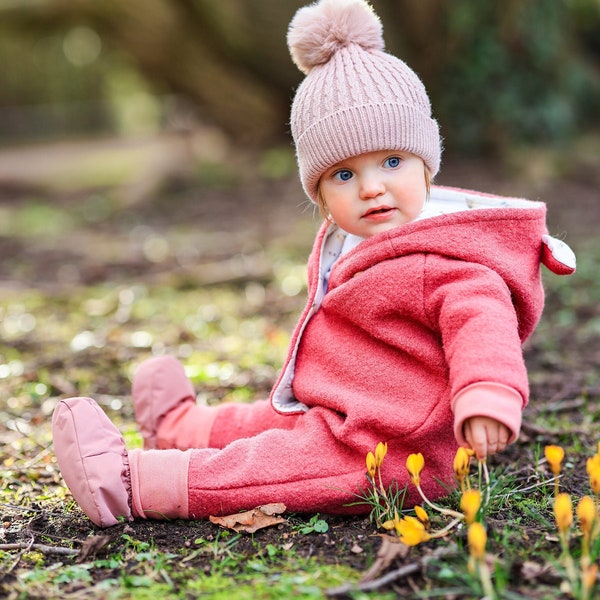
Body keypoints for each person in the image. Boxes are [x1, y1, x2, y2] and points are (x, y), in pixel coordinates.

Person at [52, 0, 576, 528]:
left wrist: (486, 395)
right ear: (320, 193)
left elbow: (483, 326)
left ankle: (131, 483)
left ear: (426, 165)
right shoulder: (351, 242)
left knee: (270, 465)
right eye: (343, 175)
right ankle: (181, 426)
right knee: (268, 421)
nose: (372, 187)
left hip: (396, 453)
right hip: (341, 412)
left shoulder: (451, 260)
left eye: (392, 162)